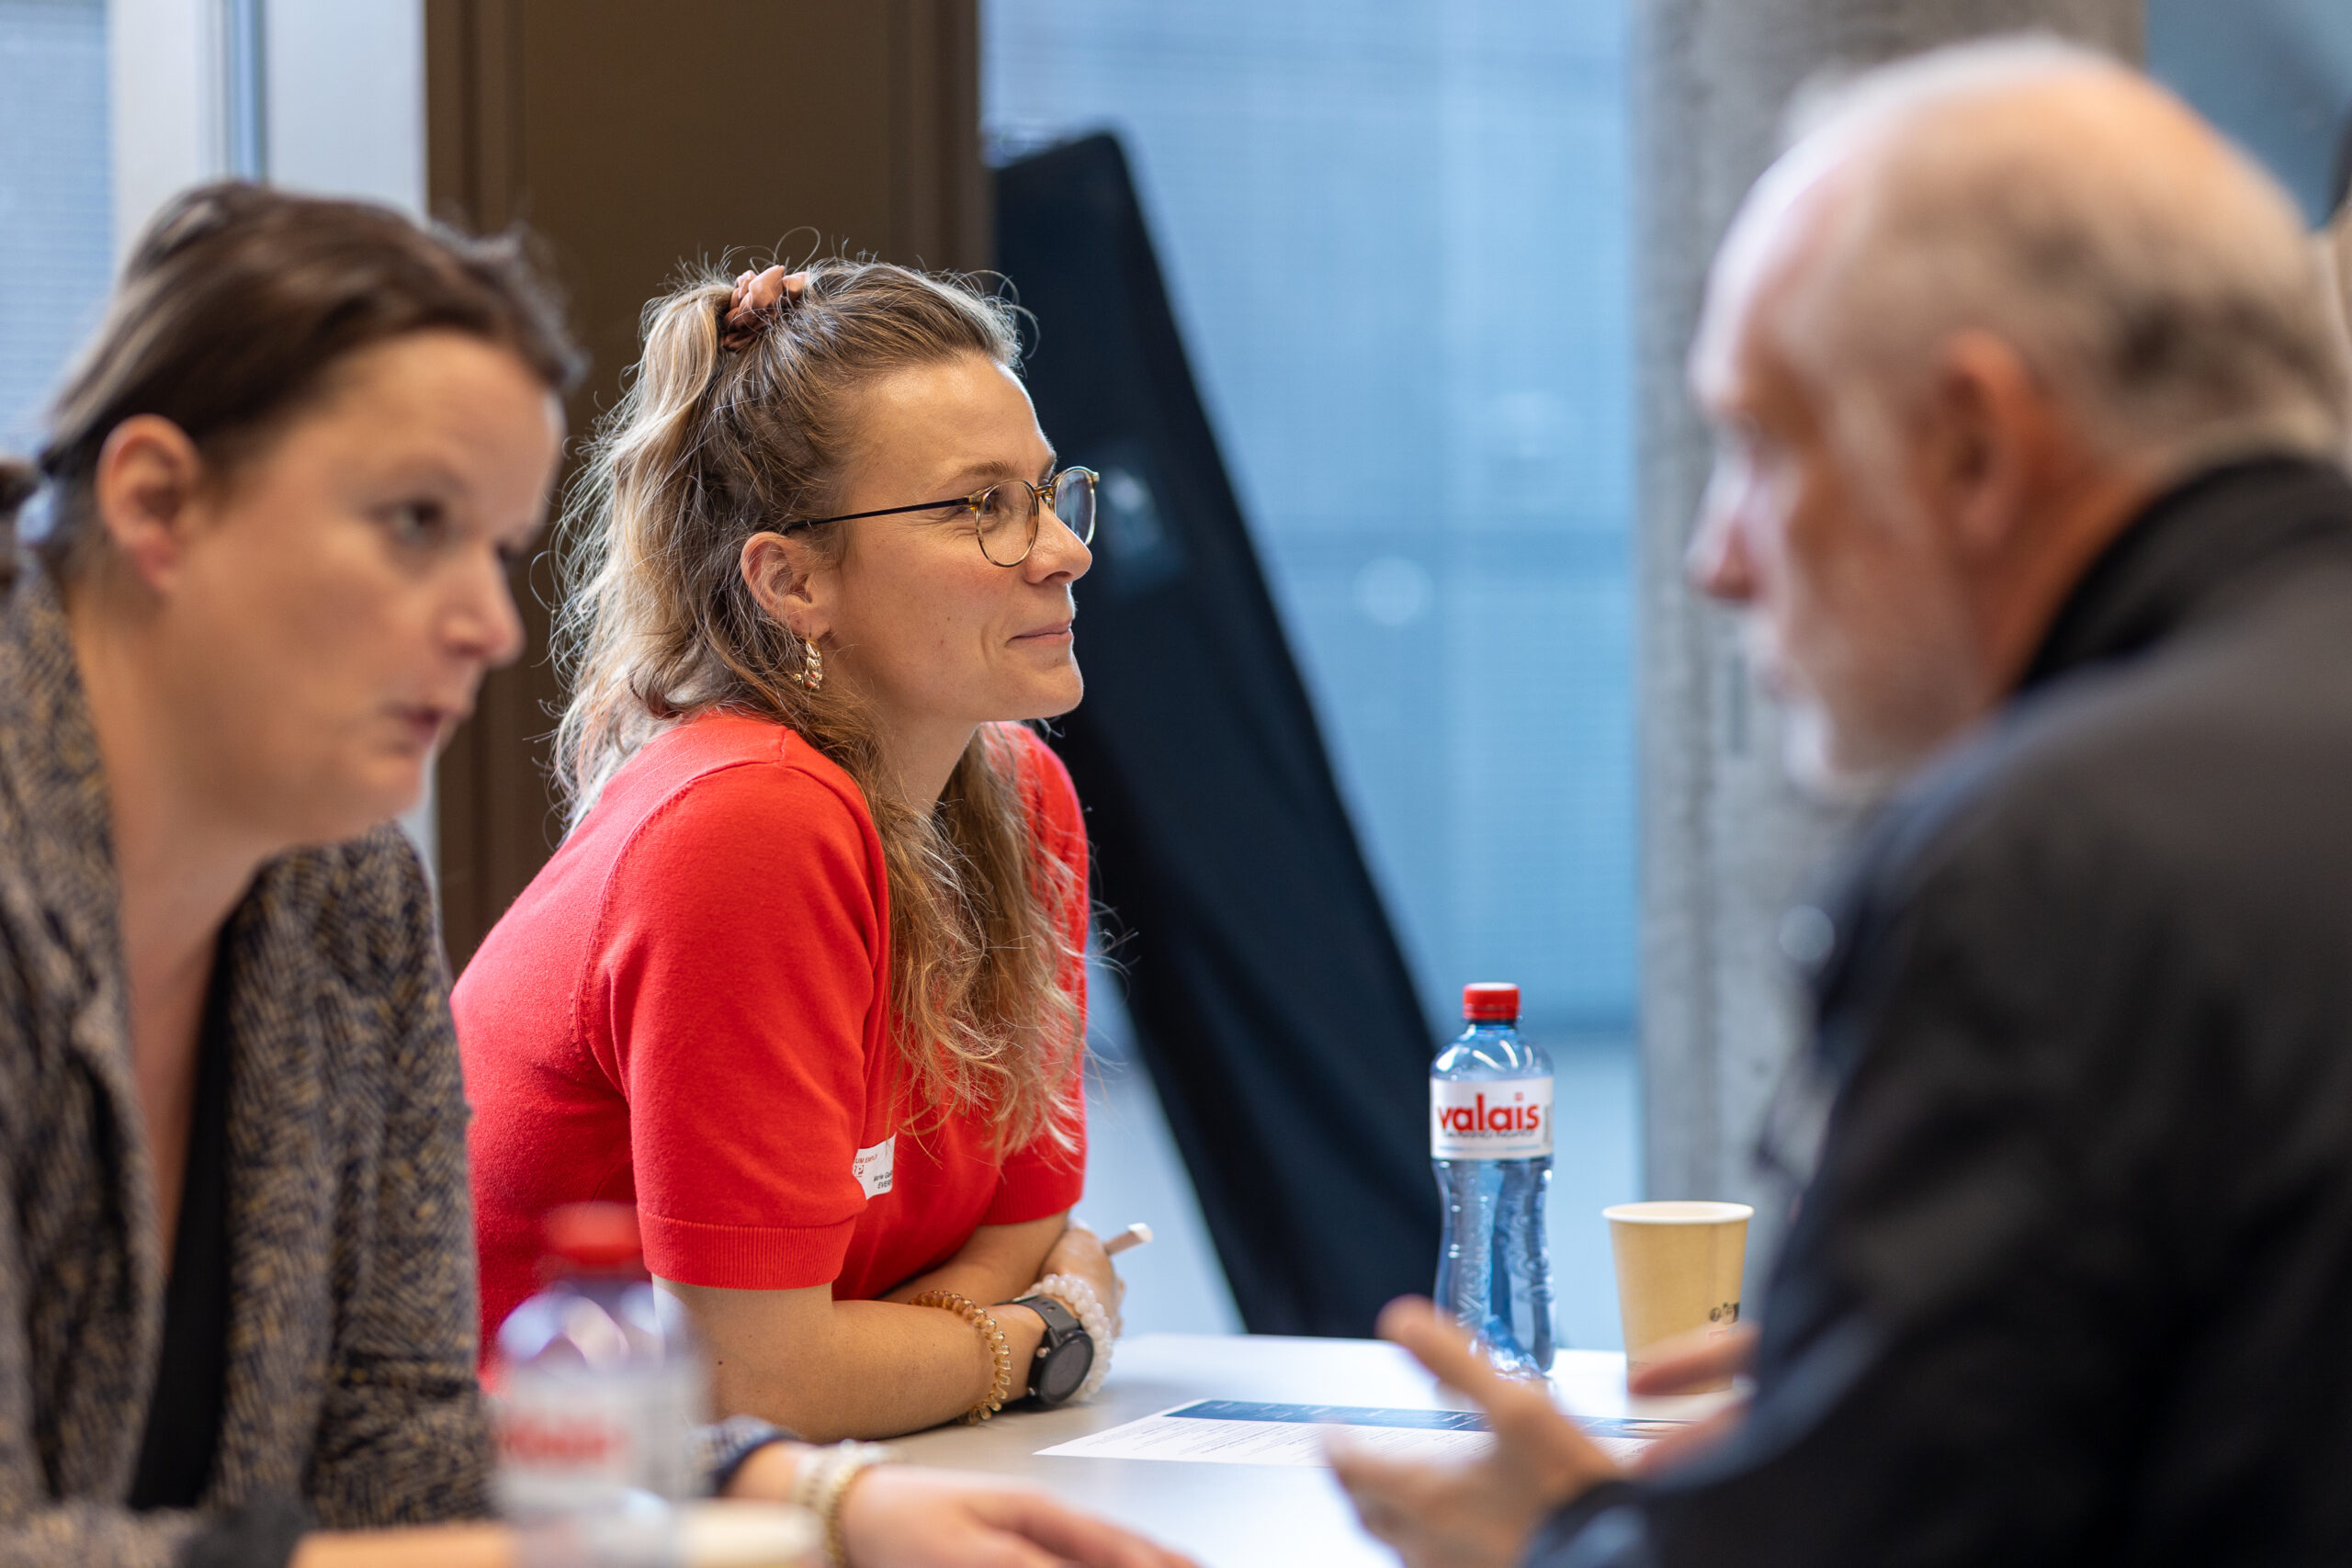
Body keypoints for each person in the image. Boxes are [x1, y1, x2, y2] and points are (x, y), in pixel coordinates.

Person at [0, 181, 1188, 1568]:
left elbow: (401, 1441)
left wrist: (820, 1502)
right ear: (158, 503)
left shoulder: (339, 890)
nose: (488, 624)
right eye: (412, 527)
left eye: (497, 549)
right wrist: (752, 1517)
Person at [1330, 36, 2352, 1568]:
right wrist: (1938, 1366)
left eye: (1757, 444)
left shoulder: (2048, 859)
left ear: (1973, 447)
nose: (1718, 559)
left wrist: (1565, 1540)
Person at [454, 258, 1119, 1442]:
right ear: (792, 579)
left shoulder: (1023, 795)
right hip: (547, 1516)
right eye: (980, 507)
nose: (1060, 550)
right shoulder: (747, 825)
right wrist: (1051, 1337)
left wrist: (889, 1357)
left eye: (1048, 491)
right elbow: (755, 1384)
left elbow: (1024, 1219)